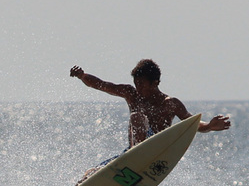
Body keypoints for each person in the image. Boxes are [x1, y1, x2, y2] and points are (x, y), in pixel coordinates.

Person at [71, 59, 231, 148]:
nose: (137, 88)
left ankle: (139, 153)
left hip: (157, 150)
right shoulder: (131, 94)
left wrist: (209, 126)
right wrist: (82, 76)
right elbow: (102, 85)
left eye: (141, 84)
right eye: (136, 83)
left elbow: (191, 122)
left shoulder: (170, 103)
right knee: (88, 175)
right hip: (133, 152)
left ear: (155, 83)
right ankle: (135, 154)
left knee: (137, 117)